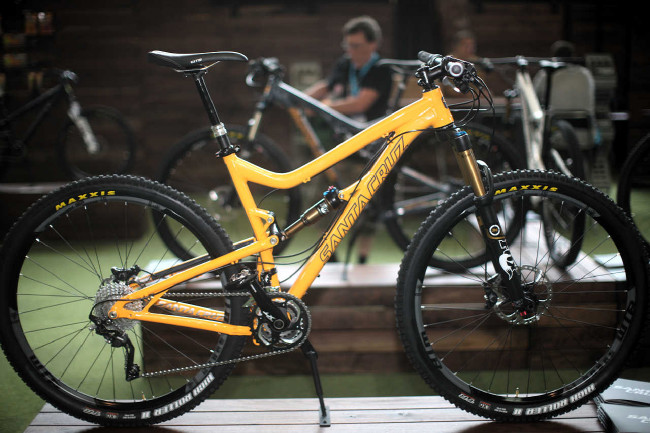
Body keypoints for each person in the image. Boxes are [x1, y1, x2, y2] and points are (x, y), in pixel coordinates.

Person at [306, 15, 392, 122]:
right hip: (344, 125)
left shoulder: (381, 68)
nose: (350, 51)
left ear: (372, 45)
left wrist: (323, 107)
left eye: (355, 46)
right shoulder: (345, 63)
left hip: (371, 126)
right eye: (347, 45)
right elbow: (327, 86)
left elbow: (360, 105)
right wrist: (302, 98)